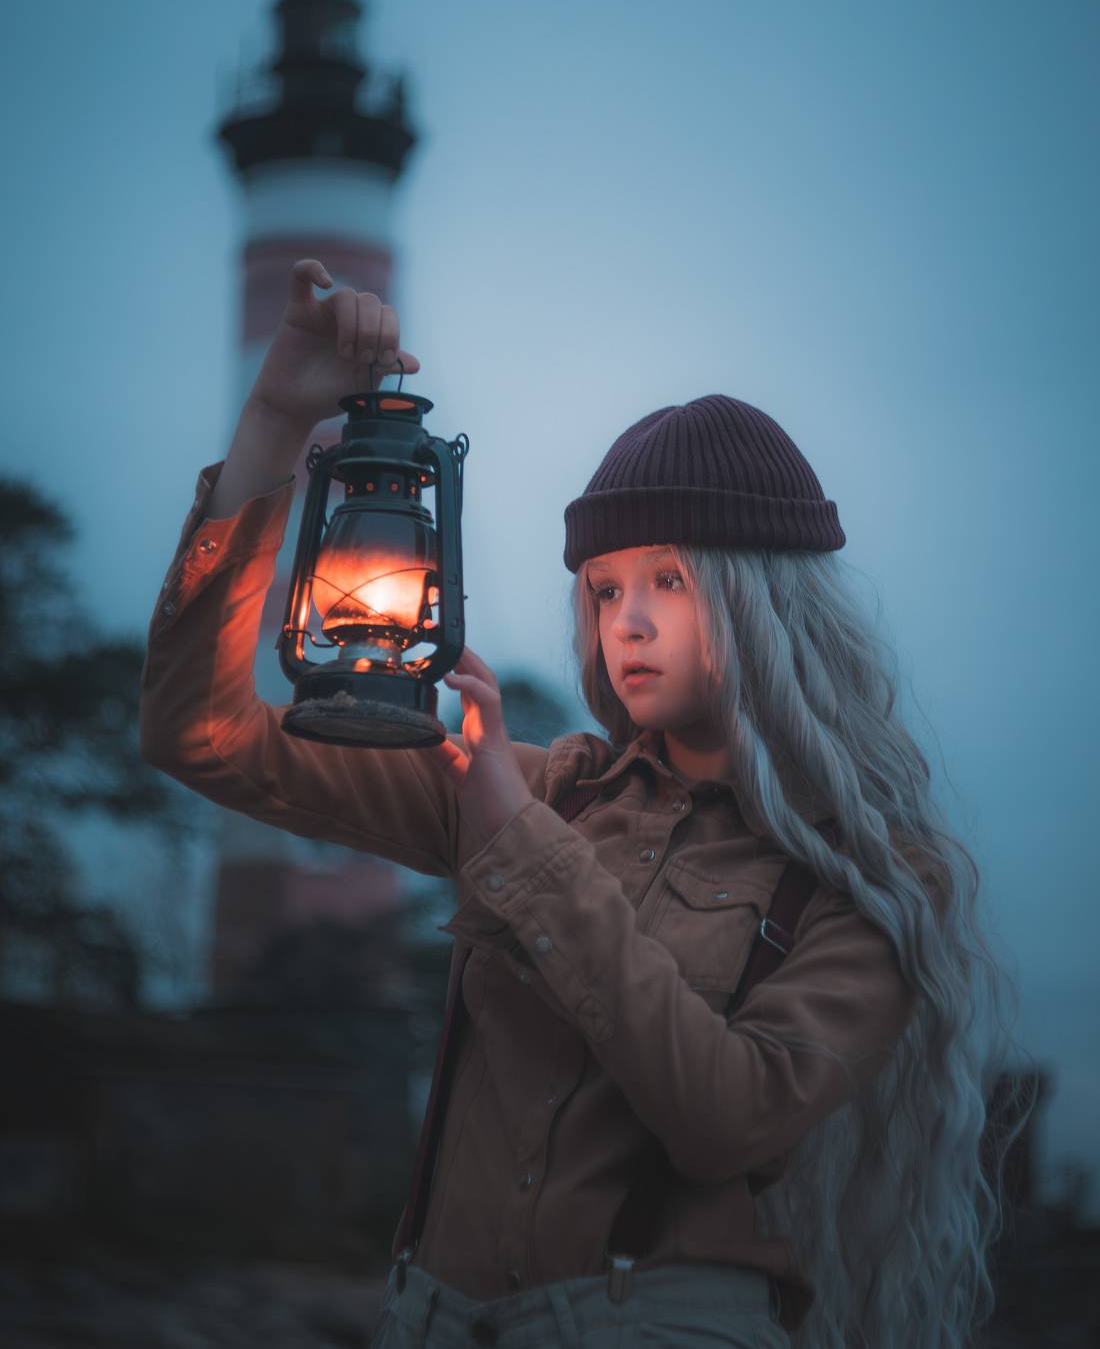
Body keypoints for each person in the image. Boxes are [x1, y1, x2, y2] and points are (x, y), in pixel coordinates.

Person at [139, 260, 1033, 1349]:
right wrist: (277, 422)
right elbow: (201, 733)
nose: (628, 622)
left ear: (764, 599)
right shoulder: (544, 784)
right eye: (604, 588)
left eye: (669, 578)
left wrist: (513, 838)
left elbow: (728, 1119)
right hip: (425, 1316)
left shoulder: (875, 874)